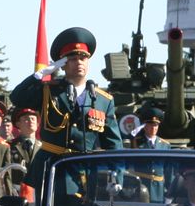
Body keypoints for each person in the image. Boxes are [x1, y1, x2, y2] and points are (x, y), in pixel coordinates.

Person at [8, 27, 122, 195]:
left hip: (84, 173)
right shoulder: (48, 91)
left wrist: (116, 177)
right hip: (50, 170)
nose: (79, 63)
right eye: (73, 59)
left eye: (83, 58)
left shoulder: (103, 100)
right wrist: (38, 76)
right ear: (63, 64)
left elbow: (113, 144)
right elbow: (17, 97)